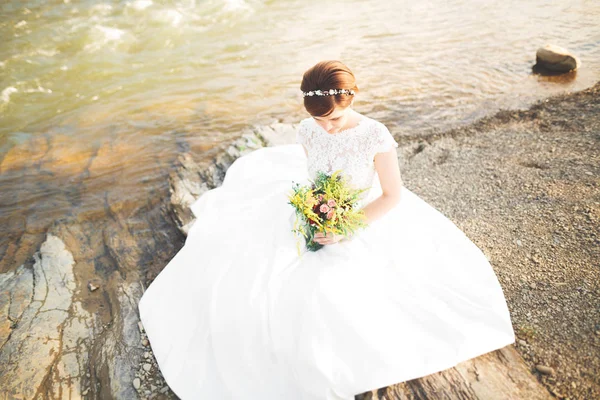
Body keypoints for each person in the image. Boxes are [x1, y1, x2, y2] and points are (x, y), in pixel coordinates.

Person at [138, 60, 515, 400]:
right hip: (314, 208)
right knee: (248, 274)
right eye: (319, 120)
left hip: (361, 215)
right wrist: (312, 207)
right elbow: (314, 172)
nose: (326, 127)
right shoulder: (308, 129)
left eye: (332, 119)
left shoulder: (376, 136)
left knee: (329, 292)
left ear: (351, 100)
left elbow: (392, 195)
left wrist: (345, 229)